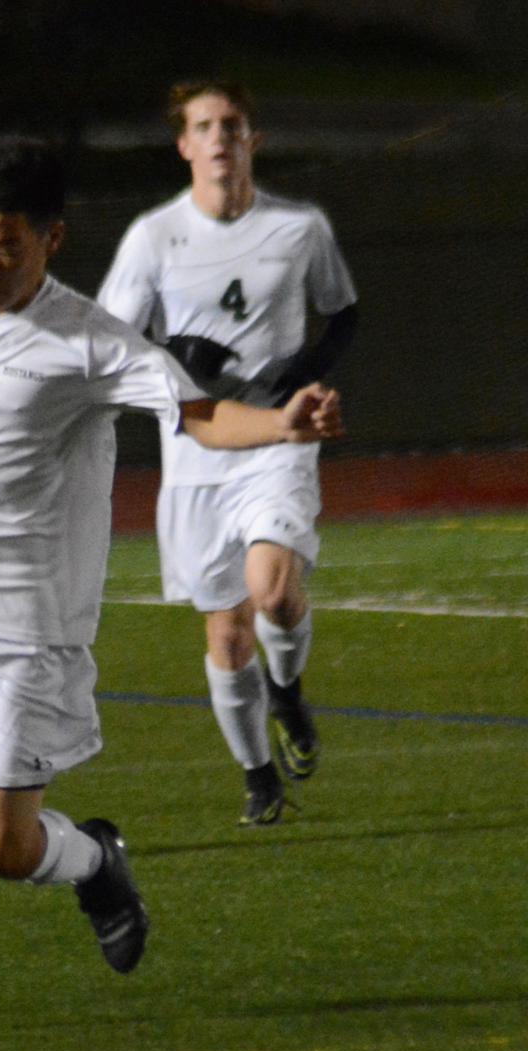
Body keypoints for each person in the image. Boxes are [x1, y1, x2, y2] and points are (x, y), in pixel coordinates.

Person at [0, 134, 344, 1035]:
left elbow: (197, 414)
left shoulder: (88, 341)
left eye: (7, 246)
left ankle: (95, 865)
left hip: (23, 635)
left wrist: (280, 422)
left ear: (52, 238)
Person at [97, 80, 358, 827]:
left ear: (253, 139)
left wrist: (302, 375)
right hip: (198, 450)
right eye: (204, 126)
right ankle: (258, 775)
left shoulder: (300, 228)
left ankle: (288, 692)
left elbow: (343, 315)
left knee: (272, 592)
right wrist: (177, 353)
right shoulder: (153, 237)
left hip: (278, 437)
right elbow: (114, 342)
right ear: (184, 144)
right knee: (226, 630)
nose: (219, 138)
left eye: (232, 125)